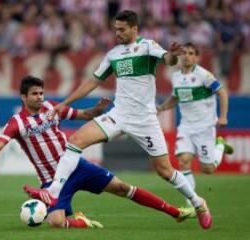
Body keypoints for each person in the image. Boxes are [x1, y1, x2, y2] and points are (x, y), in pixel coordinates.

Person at [26, 10, 212, 229]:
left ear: (134, 29)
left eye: (122, 30)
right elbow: (92, 82)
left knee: (164, 170)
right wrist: (65, 103)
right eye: (115, 29)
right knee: (75, 141)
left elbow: (168, 60)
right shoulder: (113, 54)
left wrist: (173, 55)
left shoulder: (147, 46)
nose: (117, 33)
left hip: (144, 120)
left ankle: (198, 202)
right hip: (118, 115)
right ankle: (53, 193)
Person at [0, 76, 195, 229]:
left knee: (122, 188)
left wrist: (98, 109)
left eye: (41, 93)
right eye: (34, 94)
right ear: (23, 97)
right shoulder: (16, 123)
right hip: (52, 180)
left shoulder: (51, 107)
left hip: (77, 167)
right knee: (56, 222)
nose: (40, 97)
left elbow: (84, 115)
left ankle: (175, 212)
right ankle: (81, 222)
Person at [157, 42, 233, 202]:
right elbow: (176, 98)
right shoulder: (176, 76)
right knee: (183, 161)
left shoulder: (204, 75)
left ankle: (220, 145)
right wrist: (162, 107)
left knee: (207, 169)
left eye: (191, 53)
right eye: (184, 53)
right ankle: (192, 204)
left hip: (205, 128)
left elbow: (223, 92)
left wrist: (223, 116)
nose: (187, 56)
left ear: (197, 57)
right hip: (186, 127)